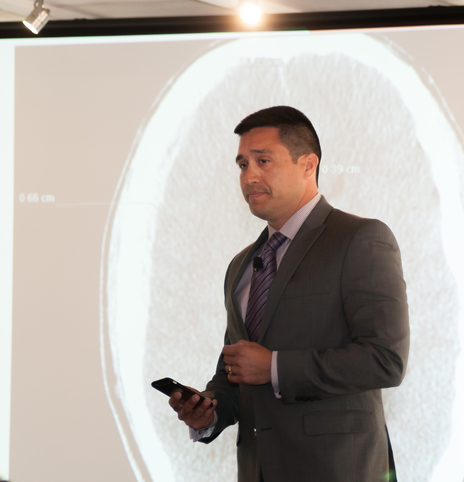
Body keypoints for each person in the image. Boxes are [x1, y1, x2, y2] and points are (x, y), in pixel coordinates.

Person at [168, 106, 409, 482]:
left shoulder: (360, 239)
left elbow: (385, 359)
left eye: (263, 160)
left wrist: (274, 367)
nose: (249, 175)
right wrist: (209, 409)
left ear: (308, 164)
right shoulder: (240, 266)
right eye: (242, 164)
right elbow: (237, 370)